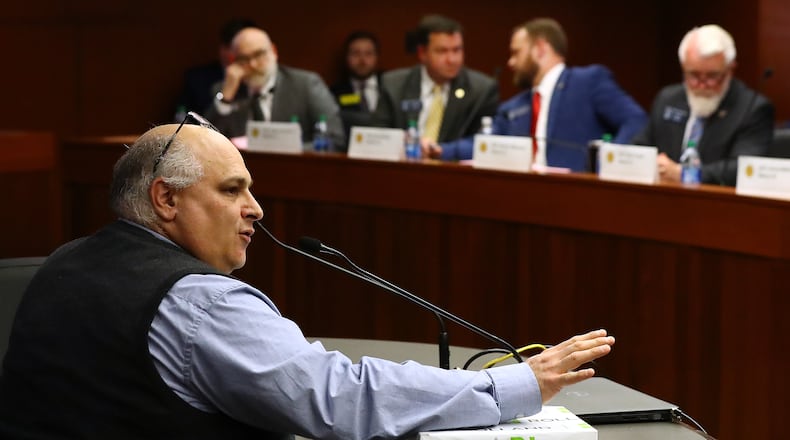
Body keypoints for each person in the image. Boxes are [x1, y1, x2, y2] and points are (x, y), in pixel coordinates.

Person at [0, 115, 615, 439]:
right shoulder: (198, 303)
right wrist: (517, 385)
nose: (256, 210)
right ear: (165, 199)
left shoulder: (61, 263)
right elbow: (340, 399)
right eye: (233, 189)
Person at [492, 18, 647, 171]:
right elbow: (486, 144)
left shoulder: (587, 82)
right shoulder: (513, 107)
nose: (511, 62)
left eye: (516, 52)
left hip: (577, 191)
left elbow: (635, 120)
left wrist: (605, 164)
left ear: (540, 49)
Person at [632, 24, 774, 185]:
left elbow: (743, 169)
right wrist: (652, 164)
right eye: (693, 75)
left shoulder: (752, 108)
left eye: (712, 76)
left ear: (730, 69)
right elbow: (641, 148)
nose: (702, 84)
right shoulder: (668, 98)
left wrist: (684, 174)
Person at [374, 15, 499, 160]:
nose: (452, 59)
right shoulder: (394, 84)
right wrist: (406, 143)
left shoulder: (481, 89)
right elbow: (377, 135)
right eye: (442, 51)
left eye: (457, 50)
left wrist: (442, 150)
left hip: (452, 174)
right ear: (422, 53)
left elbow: (483, 142)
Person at [205, 27, 346, 151]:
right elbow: (206, 143)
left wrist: (283, 149)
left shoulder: (305, 84)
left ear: (273, 51)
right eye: (244, 58)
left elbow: (335, 140)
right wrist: (226, 98)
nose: (253, 64)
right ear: (233, 60)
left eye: (258, 55)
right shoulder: (225, 92)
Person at [174, 17, 258, 118]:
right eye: (240, 50)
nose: (248, 58)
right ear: (224, 49)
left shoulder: (264, 79)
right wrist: (227, 92)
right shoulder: (197, 79)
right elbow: (182, 120)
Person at [330, 31, 383, 138]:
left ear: (377, 57)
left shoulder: (389, 86)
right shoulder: (335, 92)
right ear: (347, 57)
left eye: (368, 53)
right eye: (356, 54)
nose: (362, 60)